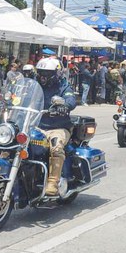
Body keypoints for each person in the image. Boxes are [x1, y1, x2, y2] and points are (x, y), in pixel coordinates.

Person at [35, 58, 77, 196]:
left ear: (55, 73)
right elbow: (22, 95)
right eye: (41, 72)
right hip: (36, 125)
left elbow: (71, 99)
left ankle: (53, 182)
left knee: (56, 147)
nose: (42, 76)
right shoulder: (35, 86)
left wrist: (65, 105)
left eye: (46, 73)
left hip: (58, 127)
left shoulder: (63, 86)